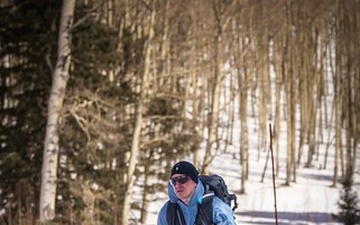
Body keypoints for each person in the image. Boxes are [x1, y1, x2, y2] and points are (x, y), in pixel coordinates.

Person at [157, 161, 237, 225]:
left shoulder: (216, 208)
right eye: (174, 181)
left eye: (183, 179)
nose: (177, 185)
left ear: (195, 182)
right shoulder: (167, 211)